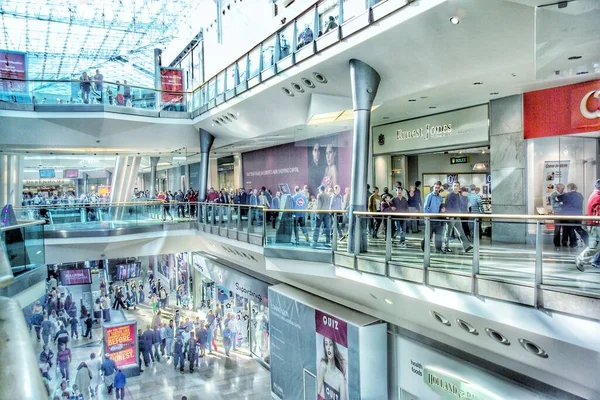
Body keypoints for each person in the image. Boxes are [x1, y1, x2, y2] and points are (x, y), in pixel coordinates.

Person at [576, 179, 600, 272]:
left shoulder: (596, 196)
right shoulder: (597, 197)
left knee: (595, 246)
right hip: (596, 226)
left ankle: (595, 260)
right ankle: (581, 259)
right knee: (594, 247)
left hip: (595, 225)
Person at [442, 182, 473, 253]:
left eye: (457, 186)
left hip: (457, 217)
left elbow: (459, 205)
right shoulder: (450, 195)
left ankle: (466, 246)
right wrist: (450, 216)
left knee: (461, 232)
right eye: (454, 186)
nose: (455, 187)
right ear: (452, 187)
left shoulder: (458, 195)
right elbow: (448, 206)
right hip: (452, 217)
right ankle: (445, 247)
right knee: (448, 233)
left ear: (459, 187)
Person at [560, 183, 588, 248]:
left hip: (569, 215)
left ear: (569, 188)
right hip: (578, 214)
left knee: (570, 229)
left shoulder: (566, 195)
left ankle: (573, 243)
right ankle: (587, 240)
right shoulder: (580, 195)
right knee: (578, 228)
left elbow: (556, 199)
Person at [423, 181, 444, 252]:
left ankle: (438, 248)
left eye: (438, 188)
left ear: (440, 188)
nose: (436, 189)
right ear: (433, 187)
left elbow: (440, 207)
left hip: (437, 218)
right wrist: (427, 217)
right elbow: (425, 207)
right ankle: (424, 246)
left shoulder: (440, 198)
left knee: (438, 235)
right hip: (429, 218)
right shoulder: (429, 196)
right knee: (429, 235)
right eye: (435, 187)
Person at [551, 183, 566, 249]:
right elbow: (553, 205)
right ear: (557, 188)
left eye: (563, 188)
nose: (562, 190)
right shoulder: (553, 195)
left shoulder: (565, 194)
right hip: (557, 213)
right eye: (561, 188)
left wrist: (560, 203)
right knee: (557, 228)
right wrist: (561, 203)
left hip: (565, 213)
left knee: (565, 228)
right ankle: (556, 242)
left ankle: (564, 242)